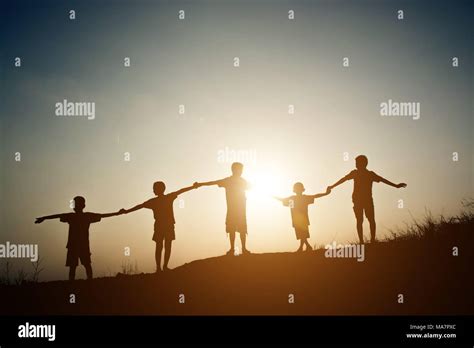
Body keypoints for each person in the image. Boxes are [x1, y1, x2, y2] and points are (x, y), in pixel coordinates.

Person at [35, 196, 122, 280]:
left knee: (84, 265)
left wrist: (117, 213)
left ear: (83, 206)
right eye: (74, 204)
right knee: (76, 266)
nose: (75, 205)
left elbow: (103, 215)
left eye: (76, 204)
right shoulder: (77, 216)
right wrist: (44, 218)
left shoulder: (83, 216)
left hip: (80, 245)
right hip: (75, 245)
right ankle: (80, 283)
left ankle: (87, 282)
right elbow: (57, 215)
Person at [327, 155, 407, 244]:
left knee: (370, 220)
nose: (356, 165)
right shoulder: (355, 173)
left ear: (364, 163)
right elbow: (343, 179)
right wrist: (332, 186)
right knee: (360, 220)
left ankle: (372, 240)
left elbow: (382, 180)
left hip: (367, 200)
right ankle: (362, 241)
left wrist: (396, 186)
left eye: (357, 163)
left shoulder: (370, 174)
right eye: (356, 163)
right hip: (357, 200)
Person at [121, 181, 198, 272]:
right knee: (166, 245)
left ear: (159, 189)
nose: (153, 190)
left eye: (154, 188)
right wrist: (193, 187)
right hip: (166, 225)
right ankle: (162, 267)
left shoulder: (155, 201)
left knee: (160, 246)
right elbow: (181, 191)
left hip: (162, 226)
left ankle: (160, 267)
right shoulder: (167, 198)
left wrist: (126, 211)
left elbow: (139, 206)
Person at [195, 162, 251, 255]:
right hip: (233, 210)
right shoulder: (229, 181)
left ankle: (243, 249)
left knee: (241, 229)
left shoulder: (241, 181)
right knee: (233, 229)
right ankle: (233, 249)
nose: (241, 172)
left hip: (240, 210)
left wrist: (200, 184)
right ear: (234, 170)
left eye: (241, 170)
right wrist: (201, 184)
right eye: (240, 170)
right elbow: (213, 182)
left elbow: (254, 188)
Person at [275, 183, 331, 252]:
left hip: (300, 219)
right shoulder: (298, 199)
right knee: (302, 234)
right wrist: (325, 193)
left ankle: (304, 247)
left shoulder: (297, 199)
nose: (298, 191)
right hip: (298, 219)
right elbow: (283, 200)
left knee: (302, 234)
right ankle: (305, 247)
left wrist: (325, 193)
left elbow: (315, 196)